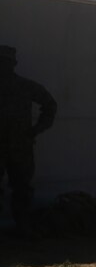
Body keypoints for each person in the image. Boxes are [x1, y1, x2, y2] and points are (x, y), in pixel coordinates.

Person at [0, 45, 57, 237]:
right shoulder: (24, 86)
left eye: (5, 62)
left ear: (12, 65)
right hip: (18, 146)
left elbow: (50, 105)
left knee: (22, 188)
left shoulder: (25, 86)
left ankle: (23, 226)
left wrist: (36, 130)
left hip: (20, 146)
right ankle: (22, 227)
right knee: (21, 188)